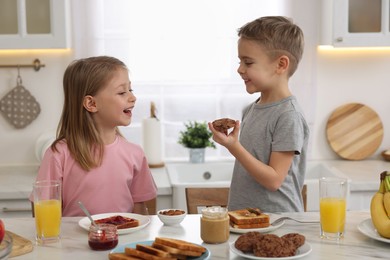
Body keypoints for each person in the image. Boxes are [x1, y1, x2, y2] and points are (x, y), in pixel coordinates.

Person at [30, 56, 157, 216]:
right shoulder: (58, 154)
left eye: (130, 90)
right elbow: (42, 210)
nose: (132, 97)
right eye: (122, 92)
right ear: (91, 104)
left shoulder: (135, 153)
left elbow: (141, 211)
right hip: (73, 241)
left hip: (123, 240)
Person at [209, 16, 310, 212]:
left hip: (278, 222)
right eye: (240, 61)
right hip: (247, 219)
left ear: (281, 65)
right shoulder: (252, 109)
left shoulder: (288, 115)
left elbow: (274, 180)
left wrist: (234, 147)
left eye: (248, 62)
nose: (240, 69)